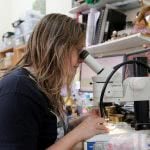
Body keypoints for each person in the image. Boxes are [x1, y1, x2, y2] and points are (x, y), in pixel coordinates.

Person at [0, 13, 108, 150]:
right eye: (78, 51)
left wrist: (79, 124)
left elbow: (47, 134)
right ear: (59, 48)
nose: (82, 60)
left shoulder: (42, 85)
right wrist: (77, 134)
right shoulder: (18, 92)